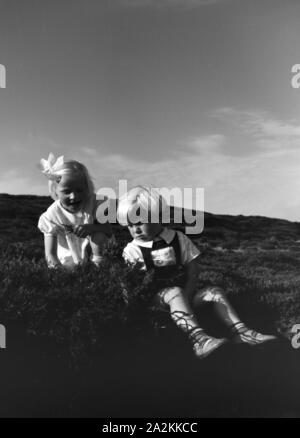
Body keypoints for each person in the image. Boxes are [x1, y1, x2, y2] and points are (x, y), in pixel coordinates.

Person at [117, 186, 276, 359]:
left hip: (186, 294)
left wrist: (189, 292)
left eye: (139, 222)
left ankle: (241, 332)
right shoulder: (132, 250)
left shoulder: (177, 238)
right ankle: (199, 340)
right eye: (130, 225)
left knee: (214, 292)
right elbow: (130, 283)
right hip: (157, 303)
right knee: (173, 292)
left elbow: (193, 267)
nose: (135, 229)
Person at [38, 153, 111, 269]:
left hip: (96, 251)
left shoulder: (96, 203)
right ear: (55, 190)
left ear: (87, 188)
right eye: (66, 191)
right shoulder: (52, 215)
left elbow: (107, 230)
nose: (74, 196)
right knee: (70, 272)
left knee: (99, 234)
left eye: (80, 190)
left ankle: (100, 267)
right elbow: (50, 253)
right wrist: (58, 271)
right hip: (69, 258)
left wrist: (91, 228)